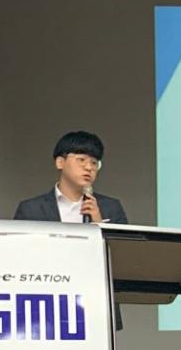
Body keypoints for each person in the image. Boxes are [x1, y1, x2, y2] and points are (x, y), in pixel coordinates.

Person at [14, 130, 127, 328]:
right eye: (81, 160)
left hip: (95, 306)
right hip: (46, 304)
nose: (89, 167)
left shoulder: (110, 207)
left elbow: (125, 257)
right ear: (60, 162)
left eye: (94, 163)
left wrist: (99, 224)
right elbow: (19, 259)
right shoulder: (31, 209)